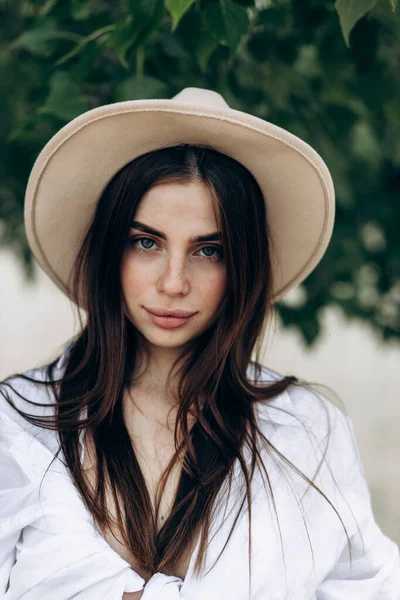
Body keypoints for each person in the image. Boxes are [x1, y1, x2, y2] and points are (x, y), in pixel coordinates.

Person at [0, 87, 399, 600]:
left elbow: (371, 589)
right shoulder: (20, 425)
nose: (173, 283)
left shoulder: (303, 433)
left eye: (208, 250)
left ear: (242, 266)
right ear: (109, 250)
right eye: (147, 242)